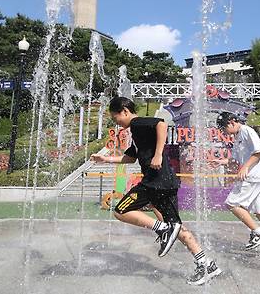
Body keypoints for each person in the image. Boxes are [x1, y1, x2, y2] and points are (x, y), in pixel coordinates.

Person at [90, 96, 221, 285]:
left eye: (115, 117)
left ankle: (163, 229)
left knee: (120, 211)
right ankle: (206, 263)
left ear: (125, 111)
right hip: (164, 182)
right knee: (177, 227)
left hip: (155, 181)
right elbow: (130, 159)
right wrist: (105, 160)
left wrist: (158, 154)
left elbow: (161, 124)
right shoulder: (137, 135)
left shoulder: (137, 124)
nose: (116, 122)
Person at [211, 112, 260, 256]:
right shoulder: (238, 137)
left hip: (252, 176)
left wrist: (245, 167)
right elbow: (235, 159)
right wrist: (222, 161)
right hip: (257, 177)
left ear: (232, 122)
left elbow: (259, 152)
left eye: (223, 128)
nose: (224, 132)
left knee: (231, 204)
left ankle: (258, 232)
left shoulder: (247, 131)